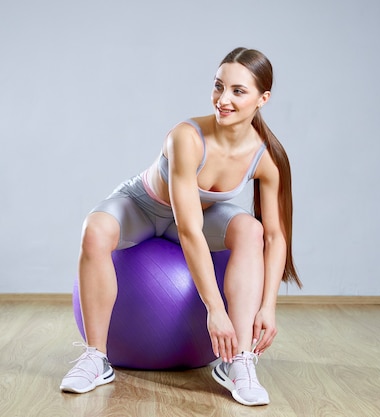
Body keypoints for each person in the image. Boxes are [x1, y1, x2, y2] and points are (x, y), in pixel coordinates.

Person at [59, 47, 302, 407]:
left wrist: (268, 307)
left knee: (250, 230)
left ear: (263, 99)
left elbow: (274, 236)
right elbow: (189, 231)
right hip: (142, 207)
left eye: (238, 91)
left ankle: (238, 360)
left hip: (195, 218)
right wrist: (215, 310)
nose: (223, 99)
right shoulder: (186, 137)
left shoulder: (265, 157)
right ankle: (95, 357)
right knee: (94, 229)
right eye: (218, 87)